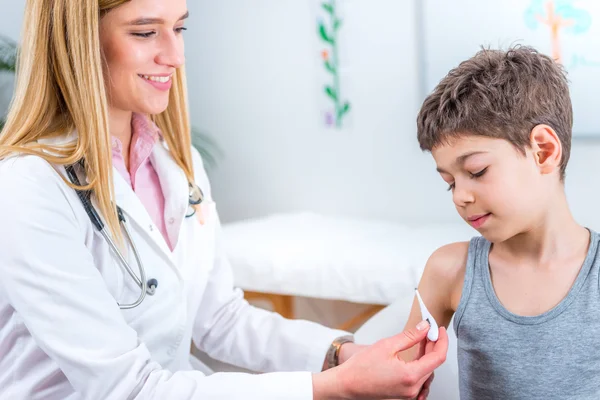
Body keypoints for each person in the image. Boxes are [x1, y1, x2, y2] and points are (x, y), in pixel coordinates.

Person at [0, 1, 447, 399]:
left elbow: (220, 319)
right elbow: (129, 388)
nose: (174, 57)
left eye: (179, 29)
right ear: (77, 41)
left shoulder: (179, 164)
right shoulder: (30, 186)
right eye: (144, 31)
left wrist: (340, 353)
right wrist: (334, 387)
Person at [398, 45, 600, 399]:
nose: (461, 196)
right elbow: (395, 382)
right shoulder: (450, 271)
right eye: (450, 183)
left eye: (476, 171)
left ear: (544, 151)